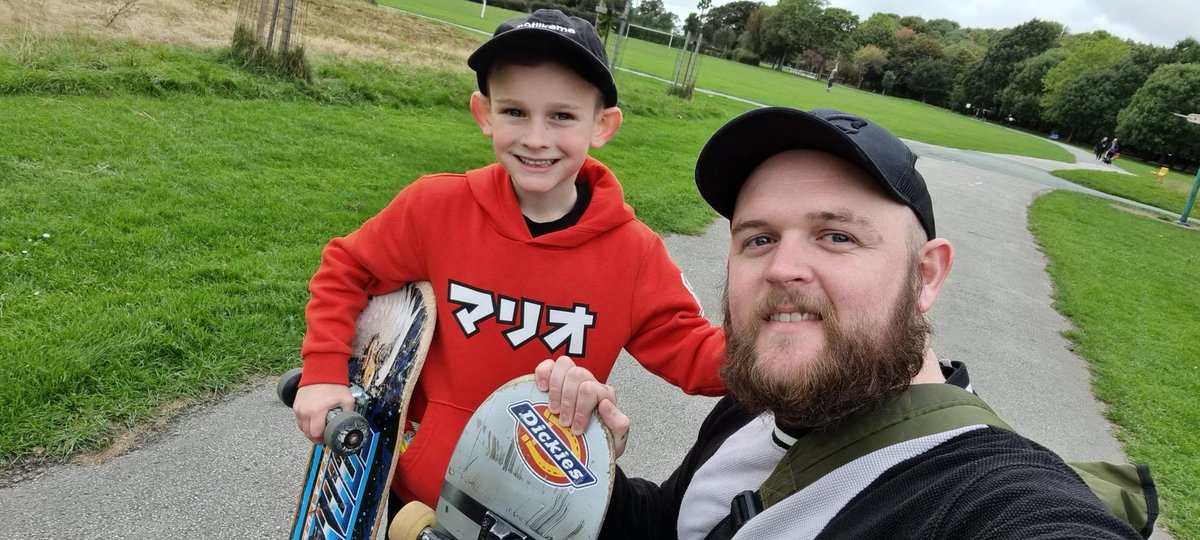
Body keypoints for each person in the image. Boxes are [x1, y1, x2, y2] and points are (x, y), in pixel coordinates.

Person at [537, 107, 1147, 539]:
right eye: (759, 238)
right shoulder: (765, 398)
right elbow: (678, 523)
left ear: (926, 275)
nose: (783, 268)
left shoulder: (978, 493)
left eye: (837, 236)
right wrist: (588, 475)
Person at [291, 9, 727, 514]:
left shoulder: (633, 255)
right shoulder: (436, 209)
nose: (536, 138)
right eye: (515, 112)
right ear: (484, 113)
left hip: (537, 509)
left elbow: (696, 355)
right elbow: (346, 267)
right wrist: (323, 372)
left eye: (562, 116)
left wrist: (801, 353)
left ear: (602, 125)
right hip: (414, 492)